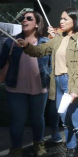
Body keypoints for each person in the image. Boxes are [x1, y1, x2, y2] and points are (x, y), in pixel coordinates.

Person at [17, 8, 78, 156]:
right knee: (65, 121)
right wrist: (26, 46)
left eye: (65, 19)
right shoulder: (58, 38)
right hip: (58, 82)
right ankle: (71, 149)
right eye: (61, 18)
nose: (61, 21)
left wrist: (76, 90)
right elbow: (41, 51)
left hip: (72, 82)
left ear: (75, 20)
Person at [0, 11, 50, 157]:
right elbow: (1, 62)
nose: (24, 20)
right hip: (15, 88)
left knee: (38, 118)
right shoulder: (11, 41)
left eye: (29, 18)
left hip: (40, 87)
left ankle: (38, 145)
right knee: (18, 119)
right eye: (23, 18)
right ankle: (16, 149)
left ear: (37, 23)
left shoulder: (45, 42)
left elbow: (52, 64)